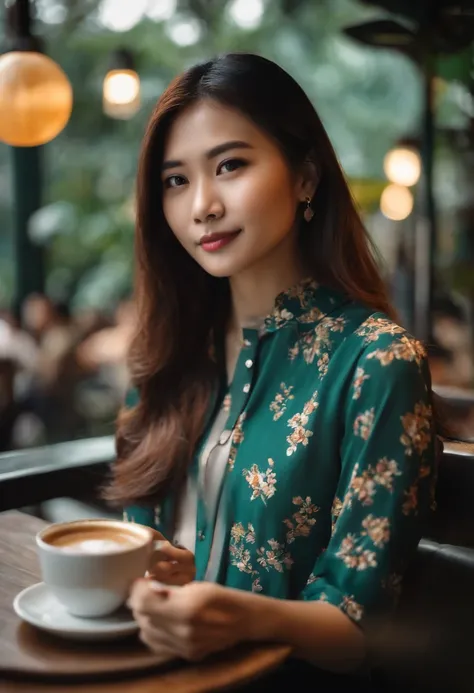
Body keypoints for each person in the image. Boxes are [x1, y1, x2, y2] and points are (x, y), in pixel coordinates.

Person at [105, 53, 438, 688]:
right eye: (176, 180)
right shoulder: (170, 354)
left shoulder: (376, 362)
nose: (202, 205)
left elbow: (356, 631)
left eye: (230, 165)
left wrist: (239, 615)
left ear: (305, 175)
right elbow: (142, 549)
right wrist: (167, 570)